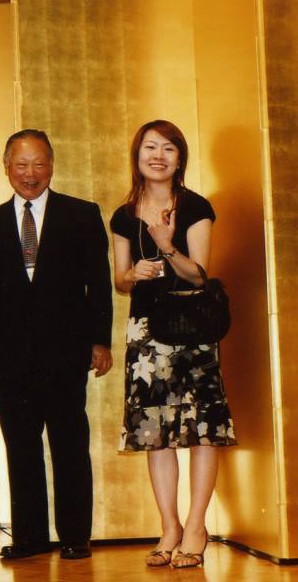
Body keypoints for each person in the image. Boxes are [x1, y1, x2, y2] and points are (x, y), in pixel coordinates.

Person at [0, 129, 113, 561]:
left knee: (70, 445)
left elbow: (99, 285)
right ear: (6, 166)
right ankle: (30, 537)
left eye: (39, 164)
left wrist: (100, 340)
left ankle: (75, 536)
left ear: (51, 165)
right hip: (10, 357)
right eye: (21, 164)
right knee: (21, 447)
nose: (30, 174)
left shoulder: (82, 214)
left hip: (66, 353)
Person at [110, 120, 236, 569]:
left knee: (201, 431)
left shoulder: (196, 206)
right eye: (150, 147)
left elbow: (199, 275)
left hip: (192, 331)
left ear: (180, 158)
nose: (158, 156)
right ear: (137, 155)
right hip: (146, 332)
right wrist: (133, 274)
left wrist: (166, 247)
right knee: (155, 433)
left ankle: (197, 527)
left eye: (168, 148)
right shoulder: (124, 215)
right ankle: (170, 527)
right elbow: (119, 280)